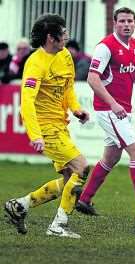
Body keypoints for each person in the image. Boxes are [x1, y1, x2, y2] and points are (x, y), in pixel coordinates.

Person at [75, 7, 135, 216]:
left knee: (111, 158)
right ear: (114, 23)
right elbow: (92, 78)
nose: (127, 24)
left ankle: (84, 200)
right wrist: (112, 104)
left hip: (122, 110)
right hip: (108, 110)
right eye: (122, 21)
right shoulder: (105, 47)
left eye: (130, 21)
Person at [3, 14, 90, 239]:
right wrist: (36, 135)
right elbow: (27, 103)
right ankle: (58, 225)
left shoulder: (65, 56)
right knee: (81, 167)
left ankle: (20, 205)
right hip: (45, 128)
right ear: (51, 37)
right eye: (63, 32)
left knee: (70, 176)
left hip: (61, 125)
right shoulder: (35, 63)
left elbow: (68, 87)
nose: (67, 35)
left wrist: (76, 109)